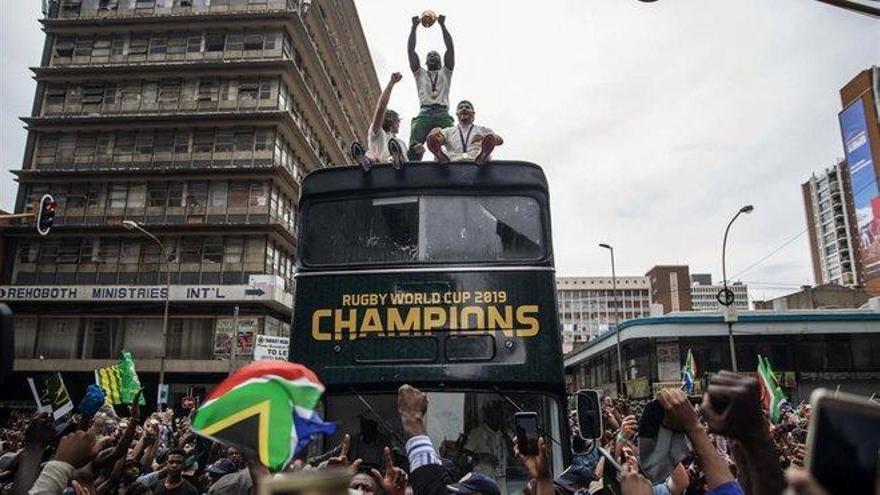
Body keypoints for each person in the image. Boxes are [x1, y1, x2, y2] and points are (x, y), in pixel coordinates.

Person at [407, 13, 455, 160]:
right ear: (426, 62)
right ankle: (413, 163)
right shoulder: (419, 73)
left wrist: (442, 25)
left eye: (436, 55)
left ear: (441, 61)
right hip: (425, 113)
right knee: (414, 141)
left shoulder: (446, 72)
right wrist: (414, 27)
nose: (433, 56)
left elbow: (450, 48)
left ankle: (445, 158)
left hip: (442, 113)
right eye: (430, 55)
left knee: (454, 141)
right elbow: (411, 51)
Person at [350, 72, 408, 170]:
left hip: (400, 169)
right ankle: (368, 160)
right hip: (385, 169)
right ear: (391, 120)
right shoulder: (377, 134)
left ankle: (392, 159)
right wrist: (391, 83)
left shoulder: (401, 143)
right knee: (372, 155)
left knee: (373, 154)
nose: (399, 124)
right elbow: (381, 108)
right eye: (398, 121)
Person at [426, 101, 503, 164]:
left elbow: (500, 141)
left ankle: (483, 155)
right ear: (457, 114)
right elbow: (435, 140)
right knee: (440, 152)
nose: (464, 109)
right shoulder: (448, 131)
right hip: (452, 159)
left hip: (475, 158)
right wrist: (436, 135)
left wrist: (484, 137)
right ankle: (440, 155)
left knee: (485, 153)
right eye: (461, 108)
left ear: (473, 113)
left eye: (467, 107)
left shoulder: (482, 130)